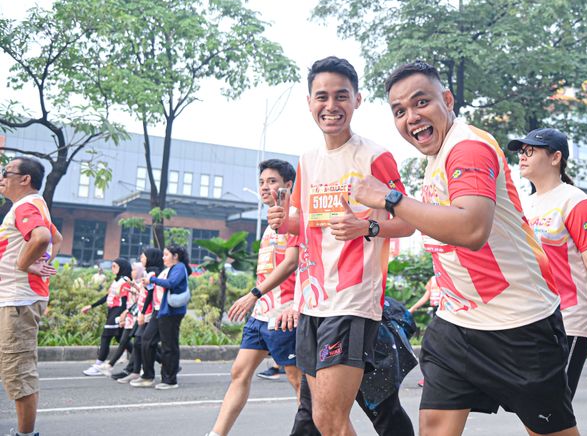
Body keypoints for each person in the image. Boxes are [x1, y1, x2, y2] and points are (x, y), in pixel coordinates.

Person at [352, 61, 578, 436]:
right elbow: (427, 224)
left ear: (447, 99)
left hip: (518, 323)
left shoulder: (467, 147)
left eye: (421, 102)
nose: (411, 117)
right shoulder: (437, 156)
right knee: (435, 426)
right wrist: (372, 223)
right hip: (456, 323)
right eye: (399, 111)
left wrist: (390, 198)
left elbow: (471, 228)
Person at [267, 56, 414, 436]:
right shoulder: (307, 160)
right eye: (322, 97)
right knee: (321, 418)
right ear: (309, 102)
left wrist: (365, 226)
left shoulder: (374, 157)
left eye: (341, 96)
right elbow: (304, 225)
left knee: (330, 418)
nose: (331, 106)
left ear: (357, 100)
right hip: (311, 302)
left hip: (352, 300)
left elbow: (409, 222)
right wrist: (284, 221)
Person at [508, 128, 587, 397]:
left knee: (553, 406)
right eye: (521, 151)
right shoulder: (525, 205)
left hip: (569, 320)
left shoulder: (576, 202)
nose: (522, 156)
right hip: (532, 318)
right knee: (534, 405)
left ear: (556, 158)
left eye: (531, 151)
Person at [207, 159, 302, 436]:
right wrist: (257, 297)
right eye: (261, 182)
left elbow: (292, 263)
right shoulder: (270, 222)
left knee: (298, 381)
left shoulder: (294, 218)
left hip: (284, 313)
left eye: (272, 181)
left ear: (288, 185)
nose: (264, 187)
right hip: (261, 313)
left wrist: (253, 294)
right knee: (239, 372)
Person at [286, 297, 418, 436]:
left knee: (384, 412)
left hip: (352, 316)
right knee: (311, 416)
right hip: (315, 316)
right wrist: (298, 303)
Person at [0, 157, 62, 436]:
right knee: (13, 367)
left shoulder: (26, 205)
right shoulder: (36, 205)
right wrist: (42, 265)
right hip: (17, 298)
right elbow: (56, 238)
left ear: (25, 179)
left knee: (19, 371)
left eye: (6, 172)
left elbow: (42, 238)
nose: (2, 178)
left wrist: (26, 265)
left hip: (17, 301)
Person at [142, 245, 191, 390]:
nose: (163, 257)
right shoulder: (168, 269)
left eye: (166, 255)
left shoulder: (179, 267)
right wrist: (149, 283)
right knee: (147, 340)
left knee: (169, 346)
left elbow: (171, 283)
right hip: (160, 311)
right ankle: (148, 375)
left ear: (175, 256)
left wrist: (152, 279)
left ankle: (170, 380)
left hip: (171, 312)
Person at [81, 258, 133, 376]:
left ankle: (99, 365)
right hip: (113, 311)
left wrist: (123, 316)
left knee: (106, 337)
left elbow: (124, 300)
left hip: (117, 312)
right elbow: (108, 296)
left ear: (122, 268)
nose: (112, 268)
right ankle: (140, 360)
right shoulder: (117, 280)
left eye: (115, 266)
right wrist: (91, 306)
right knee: (121, 339)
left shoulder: (125, 281)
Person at [129, 247, 164, 387]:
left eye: (143, 256)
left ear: (150, 258)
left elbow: (150, 294)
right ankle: (145, 371)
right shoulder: (151, 271)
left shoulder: (152, 273)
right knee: (143, 341)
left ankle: (149, 372)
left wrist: (143, 313)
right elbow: (147, 291)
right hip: (149, 311)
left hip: (150, 312)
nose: (141, 259)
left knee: (144, 341)